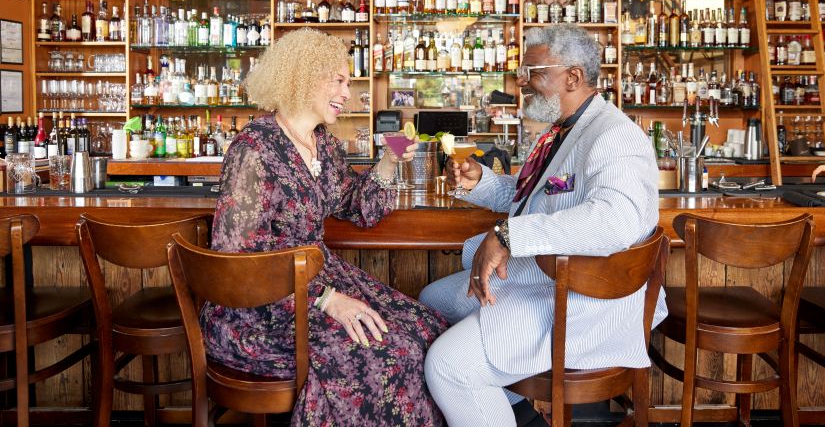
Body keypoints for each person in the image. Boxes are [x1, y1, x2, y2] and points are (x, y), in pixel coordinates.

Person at [200, 29, 447, 426]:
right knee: (391, 352)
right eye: (339, 80)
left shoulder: (324, 144)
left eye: (348, 81)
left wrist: (388, 160)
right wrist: (328, 299)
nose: (348, 93)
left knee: (425, 326)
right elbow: (238, 261)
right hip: (258, 312)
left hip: (315, 283)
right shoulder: (254, 150)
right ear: (303, 76)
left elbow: (358, 208)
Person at [420, 24, 663, 427]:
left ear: (573, 76)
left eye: (534, 71)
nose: (521, 81)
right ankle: (517, 414)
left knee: (448, 365)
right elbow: (534, 199)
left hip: (586, 299)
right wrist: (481, 182)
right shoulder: (561, 131)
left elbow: (616, 221)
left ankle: (483, 389)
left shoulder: (615, 135)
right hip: (551, 281)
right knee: (433, 300)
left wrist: (508, 236)